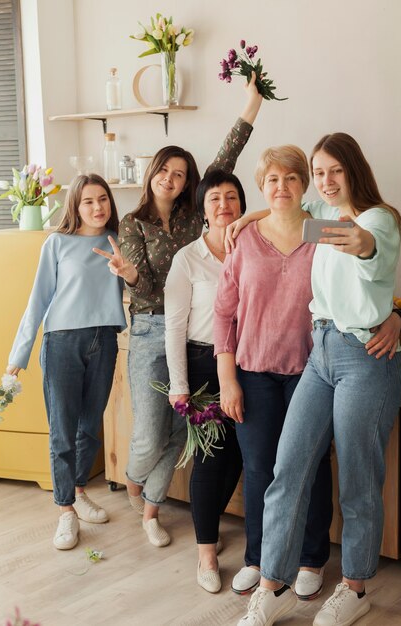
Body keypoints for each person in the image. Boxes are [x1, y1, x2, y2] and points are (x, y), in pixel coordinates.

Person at [235, 133, 401, 626]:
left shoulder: (379, 220)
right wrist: (245, 218)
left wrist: (365, 248)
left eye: (336, 170)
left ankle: (355, 590)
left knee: (357, 481)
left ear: (354, 169)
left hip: (364, 358)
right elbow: (282, 203)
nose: (326, 181)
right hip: (320, 352)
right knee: (287, 471)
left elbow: (373, 250)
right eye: (320, 171)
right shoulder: (321, 215)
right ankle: (272, 587)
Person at [95, 75, 263, 548]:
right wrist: (129, 278)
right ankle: (133, 479)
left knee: (178, 431)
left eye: (180, 174)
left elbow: (225, 164)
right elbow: (150, 290)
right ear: (151, 174)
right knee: (151, 433)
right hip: (152, 330)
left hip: (197, 334)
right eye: (164, 171)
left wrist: (251, 106)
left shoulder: (196, 214)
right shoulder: (133, 223)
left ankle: (152, 509)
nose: (171, 179)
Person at [214, 146, 333, 600]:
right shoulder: (243, 239)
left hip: (314, 373)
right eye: (272, 180)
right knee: (261, 468)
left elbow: (368, 246)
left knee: (311, 467)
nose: (281, 188)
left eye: (291, 179)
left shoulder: (323, 231)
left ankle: (310, 558)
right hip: (253, 374)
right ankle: (259, 559)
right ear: (261, 186)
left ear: (304, 185)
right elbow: (224, 314)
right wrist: (228, 380)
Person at [7, 174, 126, 550]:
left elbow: (136, 289)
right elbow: (37, 301)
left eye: (103, 199)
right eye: (88, 201)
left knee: (89, 427)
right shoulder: (57, 243)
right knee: (62, 430)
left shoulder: (118, 243)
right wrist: (18, 356)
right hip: (62, 343)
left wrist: (127, 271)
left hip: (104, 340)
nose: (97, 207)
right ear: (75, 206)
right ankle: (65, 511)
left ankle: (77, 491)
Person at [164, 170, 247, 593]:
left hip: (247, 363)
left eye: (231, 197)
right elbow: (174, 327)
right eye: (214, 198)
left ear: (242, 206)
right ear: (203, 208)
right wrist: (179, 385)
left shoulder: (253, 248)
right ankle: (207, 552)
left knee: (240, 456)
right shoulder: (188, 258)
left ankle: (209, 521)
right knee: (211, 457)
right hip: (200, 363)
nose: (223, 205)